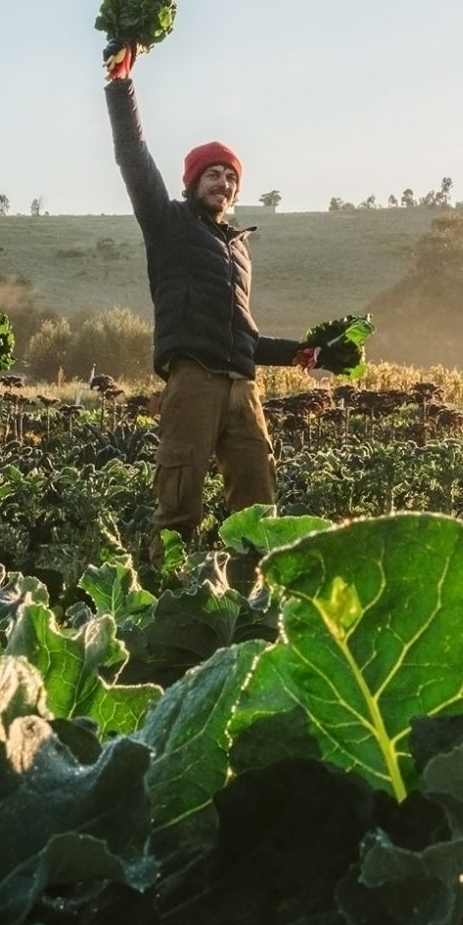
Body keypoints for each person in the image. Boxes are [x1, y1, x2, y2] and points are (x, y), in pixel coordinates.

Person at [103, 44, 320, 548]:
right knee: (180, 504)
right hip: (193, 379)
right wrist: (120, 85)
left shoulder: (238, 250)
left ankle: (253, 590)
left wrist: (306, 351)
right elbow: (132, 155)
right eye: (213, 174)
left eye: (231, 177)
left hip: (244, 388)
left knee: (260, 508)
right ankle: (161, 590)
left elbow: (246, 337)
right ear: (193, 182)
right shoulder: (168, 223)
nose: (223, 182)